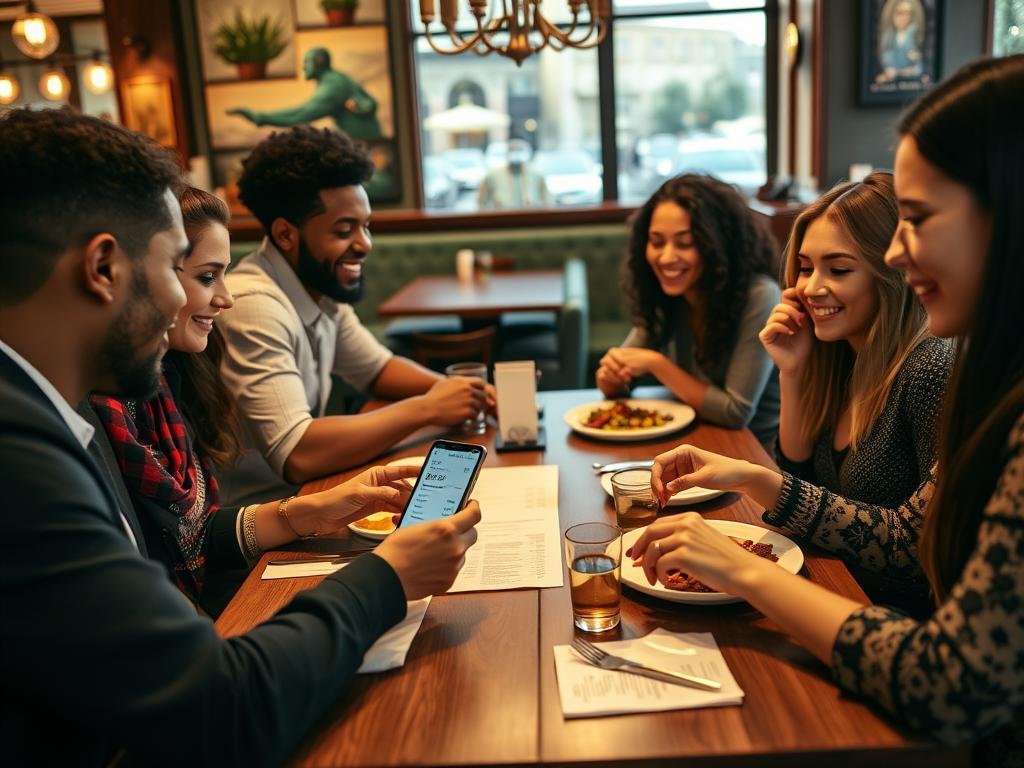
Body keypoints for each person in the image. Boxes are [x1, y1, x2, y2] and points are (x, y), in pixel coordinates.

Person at [0, 107, 480, 766]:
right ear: (104, 268)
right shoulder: (18, 454)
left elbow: (171, 546)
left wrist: (298, 512)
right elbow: (223, 712)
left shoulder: (56, 410)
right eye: (180, 269)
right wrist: (386, 577)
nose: (196, 303)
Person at [629, 55, 1024, 764]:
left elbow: (952, 674)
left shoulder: (938, 368)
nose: (902, 252)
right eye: (805, 267)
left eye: (919, 218)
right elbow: (900, 530)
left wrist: (742, 568)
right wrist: (773, 431)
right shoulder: (974, 378)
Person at [89, 187, 416, 616]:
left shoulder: (165, 380)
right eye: (207, 277)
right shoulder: (93, 417)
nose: (226, 298)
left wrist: (308, 512)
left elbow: (199, 535)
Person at [218, 125, 492, 505]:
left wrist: (461, 393)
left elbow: (377, 370)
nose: (365, 244)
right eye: (345, 230)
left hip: (306, 502)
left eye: (365, 226)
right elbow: (297, 452)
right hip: (253, 527)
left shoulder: (321, 292)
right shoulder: (252, 305)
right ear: (285, 235)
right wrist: (429, 407)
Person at [763, 171, 952, 509]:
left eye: (838, 270)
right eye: (806, 268)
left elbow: (925, 542)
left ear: (893, 274)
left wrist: (754, 479)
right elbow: (800, 484)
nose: (811, 289)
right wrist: (791, 373)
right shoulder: (839, 355)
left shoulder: (929, 369)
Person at [596, 173, 781, 448]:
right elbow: (624, 368)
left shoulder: (760, 296)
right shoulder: (669, 291)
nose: (667, 257)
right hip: (696, 444)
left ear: (716, 244)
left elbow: (735, 413)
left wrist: (656, 364)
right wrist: (611, 378)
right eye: (657, 242)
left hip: (757, 457)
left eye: (685, 243)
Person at [228, 47, 382, 139]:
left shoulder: (333, 85)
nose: (303, 67)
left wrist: (260, 117)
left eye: (307, 62)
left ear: (319, 63)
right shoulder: (336, 79)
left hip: (365, 144)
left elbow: (301, 114)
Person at [477, 139, 552, 209]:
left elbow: (548, 201)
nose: (516, 154)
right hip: (502, 218)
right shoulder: (493, 175)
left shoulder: (536, 175)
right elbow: (481, 202)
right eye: (512, 150)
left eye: (519, 150)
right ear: (507, 153)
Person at [876, 0, 926, 84]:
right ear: (892, 14)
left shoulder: (914, 36)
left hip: (909, 84)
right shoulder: (888, 36)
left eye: (908, 13)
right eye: (900, 13)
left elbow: (919, 68)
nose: (904, 17)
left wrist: (898, 72)